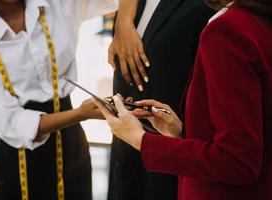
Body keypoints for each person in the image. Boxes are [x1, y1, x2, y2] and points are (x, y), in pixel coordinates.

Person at [96, 0, 272, 199]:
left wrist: (141, 140)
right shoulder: (255, 21)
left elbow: (237, 161)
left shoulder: (227, 30)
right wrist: (181, 134)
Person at [0, 0, 117, 199]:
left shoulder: (58, 4)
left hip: (72, 149)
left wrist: (123, 28)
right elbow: (13, 122)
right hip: (18, 162)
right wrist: (81, 114)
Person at [107, 0, 215, 199]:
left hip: (172, 159)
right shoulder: (129, 10)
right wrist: (122, 22)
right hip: (126, 159)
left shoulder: (206, 8)